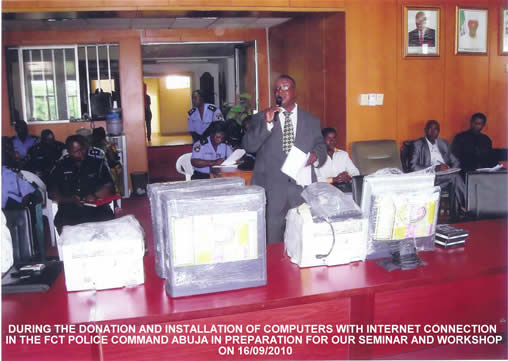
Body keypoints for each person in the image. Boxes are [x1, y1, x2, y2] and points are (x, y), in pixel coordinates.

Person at [242, 74, 327, 243]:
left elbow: (321, 146)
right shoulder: (262, 117)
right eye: (277, 89)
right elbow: (249, 146)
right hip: (272, 189)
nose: (280, 91)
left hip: (301, 187)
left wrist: (316, 156)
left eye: (285, 87)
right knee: (272, 239)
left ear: (295, 92)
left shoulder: (311, 121)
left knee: (303, 238)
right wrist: (267, 125)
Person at [48, 135, 114, 234]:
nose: (81, 153)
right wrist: (71, 199)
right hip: (69, 210)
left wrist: (95, 195)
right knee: (67, 228)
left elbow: (109, 185)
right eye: (76, 151)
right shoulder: (60, 167)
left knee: (106, 223)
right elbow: (53, 193)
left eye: (83, 149)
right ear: (69, 152)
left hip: (96, 209)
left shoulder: (98, 163)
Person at [409, 120, 466, 221]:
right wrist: (436, 168)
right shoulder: (418, 144)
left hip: (445, 176)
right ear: (425, 130)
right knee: (455, 178)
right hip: (429, 177)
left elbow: (455, 161)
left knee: (455, 177)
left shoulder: (443, 143)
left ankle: (457, 214)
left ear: (439, 131)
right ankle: (467, 207)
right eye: (430, 128)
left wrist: (450, 169)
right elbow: (413, 167)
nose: (433, 131)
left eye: (436, 129)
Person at [92, 127, 123, 195]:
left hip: (97, 171)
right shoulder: (108, 145)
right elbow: (112, 159)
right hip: (110, 169)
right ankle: (116, 198)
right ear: (104, 135)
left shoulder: (91, 147)